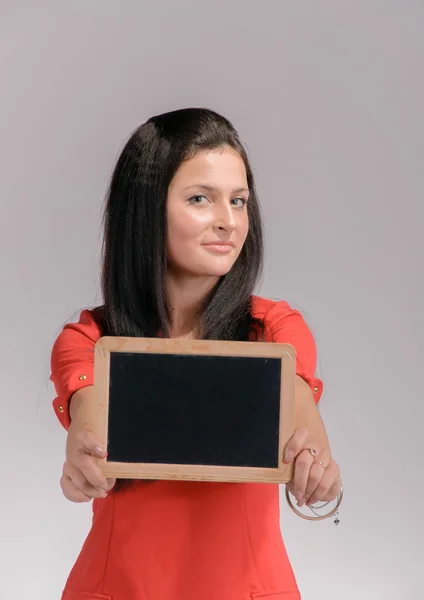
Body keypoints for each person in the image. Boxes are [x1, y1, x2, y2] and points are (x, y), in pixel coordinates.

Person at [50, 107, 342, 600]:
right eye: (200, 199)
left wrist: (315, 463)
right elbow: (89, 415)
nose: (228, 222)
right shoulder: (88, 339)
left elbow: (296, 402)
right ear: (144, 210)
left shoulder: (271, 329)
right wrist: (84, 456)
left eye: (239, 200)